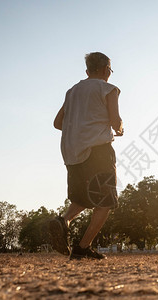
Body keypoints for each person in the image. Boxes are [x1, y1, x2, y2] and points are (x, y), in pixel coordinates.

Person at [49, 52, 123, 260]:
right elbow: (115, 121)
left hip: (72, 152)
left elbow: (57, 123)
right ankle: (83, 246)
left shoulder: (72, 92)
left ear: (87, 70)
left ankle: (63, 221)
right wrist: (120, 128)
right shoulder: (108, 89)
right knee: (105, 201)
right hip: (98, 150)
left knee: (84, 197)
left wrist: (79, 125)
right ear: (106, 69)